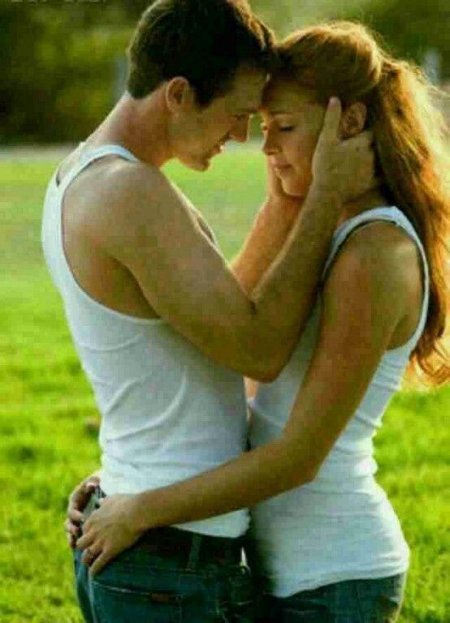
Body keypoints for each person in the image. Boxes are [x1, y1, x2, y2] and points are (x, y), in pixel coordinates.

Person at [70, 20, 450, 623]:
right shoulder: (323, 229)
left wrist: (141, 510)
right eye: (264, 127)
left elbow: (299, 456)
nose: (266, 147)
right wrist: (127, 482)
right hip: (284, 573)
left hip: (334, 578)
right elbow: (226, 346)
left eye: (285, 128)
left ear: (349, 123)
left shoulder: (375, 254)